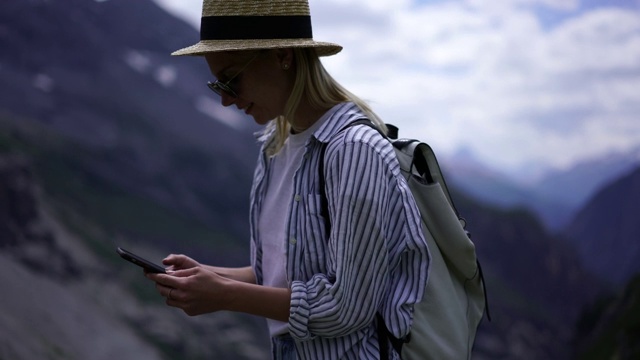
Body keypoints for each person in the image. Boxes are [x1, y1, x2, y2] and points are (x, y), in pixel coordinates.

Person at [145, 0, 430, 358]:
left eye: (231, 79)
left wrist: (223, 295)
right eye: (217, 85)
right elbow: (286, 273)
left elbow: (347, 308)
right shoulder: (275, 146)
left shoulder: (355, 150)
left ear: (283, 56)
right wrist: (208, 277)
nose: (226, 101)